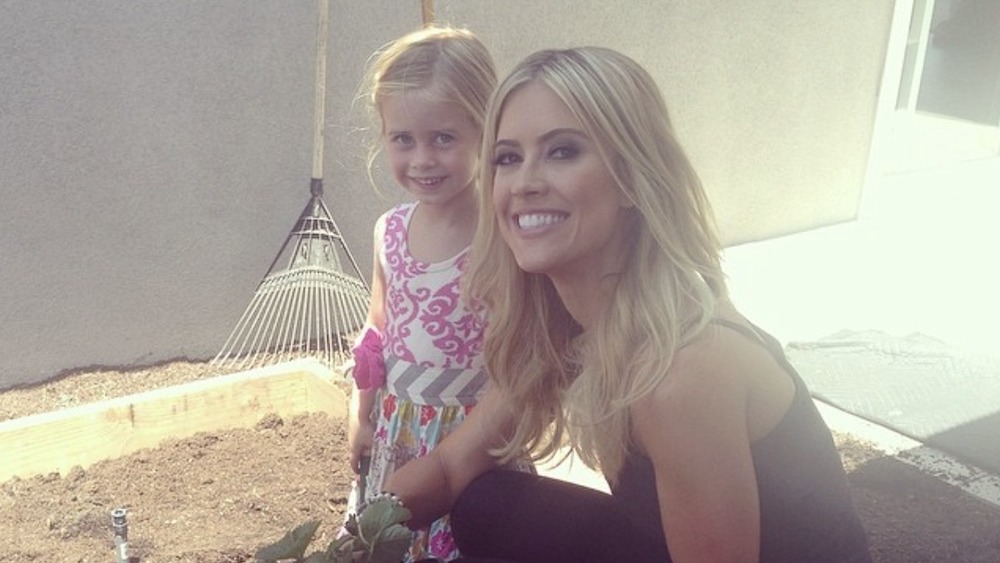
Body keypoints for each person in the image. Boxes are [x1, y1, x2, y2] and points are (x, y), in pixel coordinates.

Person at [370, 46, 874, 563]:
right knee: (486, 504)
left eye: (563, 151)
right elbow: (455, 467)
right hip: (667, 541)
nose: (525, 183)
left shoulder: (680, 371)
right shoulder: (564, 323)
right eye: (507, 158)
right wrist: (359, 536)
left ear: (633, 177)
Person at [344, 25, 527, 562]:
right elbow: (377, 330)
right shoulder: (389, 231)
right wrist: (360, 411)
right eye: (403, 139)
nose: (421, 158)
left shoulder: (503, 236)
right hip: (397, 435)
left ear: (484, 134)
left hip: (472, 444)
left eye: (443, 138)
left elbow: (523, 353)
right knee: (393, 544)